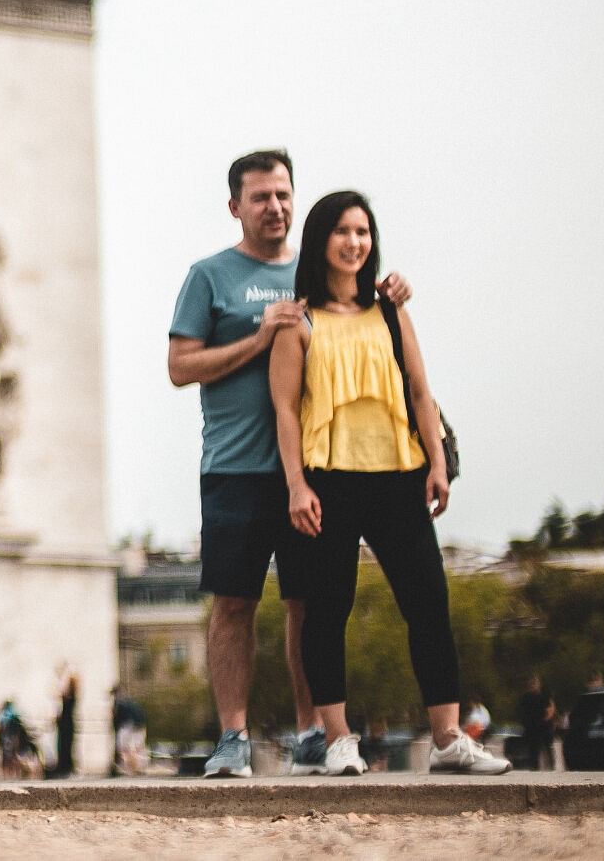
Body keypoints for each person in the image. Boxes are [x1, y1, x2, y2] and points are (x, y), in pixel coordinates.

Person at [168, 150, 408, 777]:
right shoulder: (209, 276)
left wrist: (393, 292)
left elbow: (368, 316)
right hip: (235, 468)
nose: (274, 207)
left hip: (316, 468)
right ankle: (232, 738)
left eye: (283, 195)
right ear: (234, 207)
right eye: (260, 197)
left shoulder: (318, 270)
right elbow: (178, 367)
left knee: (310, 603)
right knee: (234, 604)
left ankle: (311, 733)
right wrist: (257, 337)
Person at [268, 190, 507, 777]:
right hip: (328, 480)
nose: (355, 242)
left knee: (428, 600)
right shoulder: (297, 321)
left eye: (364, 231)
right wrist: (297, 485)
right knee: (329, 609)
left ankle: (448, 739)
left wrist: (437, 463)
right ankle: (340, 739)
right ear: (322, 239)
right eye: (343, 231)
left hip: (398, 475)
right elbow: (286, 411)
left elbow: (420, 392)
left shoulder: (391, 311)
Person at [516, 674, 556, 771]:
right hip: (531, 727)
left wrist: (546, 721)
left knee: (547, 747)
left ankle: (550, 766)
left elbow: (550, 709)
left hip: (544, 726)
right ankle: (534, 767)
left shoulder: (544, 696)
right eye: (531, 684)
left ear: (539, 684)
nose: (533, 685)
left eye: (535, 683)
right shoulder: (525, 697)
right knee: (533, 749)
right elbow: (522, 712)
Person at [49, 673, 78, 779]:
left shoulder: (69, 698)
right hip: (66, 726)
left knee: (65, 747)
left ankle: (65, 767)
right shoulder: (70, 698)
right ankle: (65, 767)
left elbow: (60, 694)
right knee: (64, 747)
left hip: (66, 727)